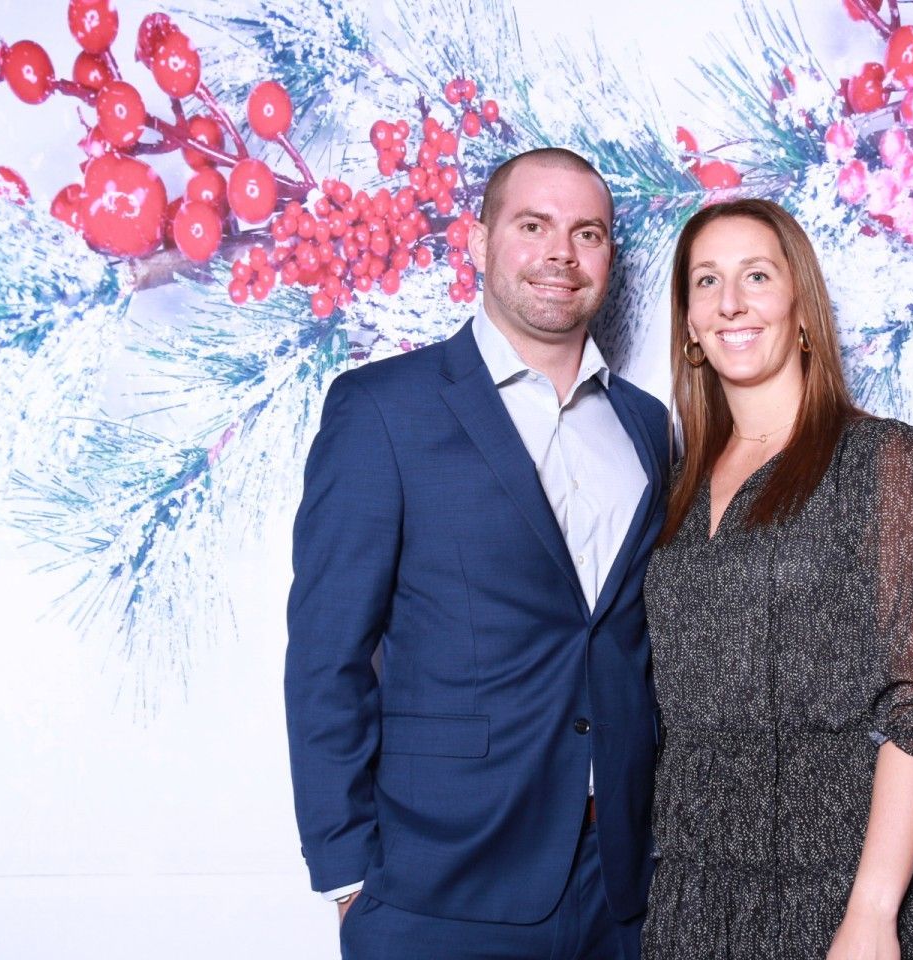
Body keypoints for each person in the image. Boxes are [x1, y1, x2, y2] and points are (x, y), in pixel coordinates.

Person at [285, 148, 669, 959]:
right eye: (534, 225)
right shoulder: (383, 411)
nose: (561, 253)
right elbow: (328, 655)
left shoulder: (646, 425)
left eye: (588, 233)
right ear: (480, 240)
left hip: (620, 889)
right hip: (439, 888)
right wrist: (349, 874)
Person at [641, 198, 913, 960]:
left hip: (842, 887)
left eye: (756, 275)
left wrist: (873, 910)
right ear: (689, 324)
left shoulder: (886, 462)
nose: (731, 302)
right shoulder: (670, 484)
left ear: (799, 307)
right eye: (707, 282)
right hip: (690, 897)